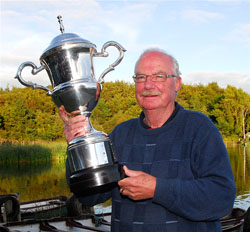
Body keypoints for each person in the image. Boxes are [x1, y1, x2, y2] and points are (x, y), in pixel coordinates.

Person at [59, 49, 236, 232]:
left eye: (159, 76)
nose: (148, 85)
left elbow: (221, 198)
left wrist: (157, 189)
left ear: (177, 84)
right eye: (141, 77)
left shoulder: (200, 128)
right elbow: (89, 197)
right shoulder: (120, 134)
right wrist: (78, 146)